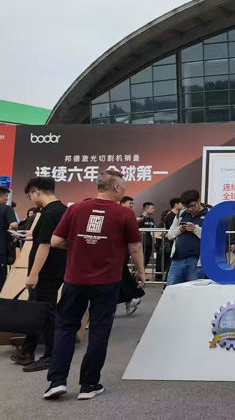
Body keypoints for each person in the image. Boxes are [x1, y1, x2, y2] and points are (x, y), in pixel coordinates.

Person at [43, 169, 144, 400]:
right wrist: (140, 272)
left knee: (65, 328)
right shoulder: (124, 213)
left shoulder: (75, 209)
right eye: (123, 186)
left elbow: (56, 241)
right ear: (116, 187)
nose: (124, 190)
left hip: (74, 279)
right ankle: (88, 385)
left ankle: (56, 382)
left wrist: (79, 245)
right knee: (99, 331)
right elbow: (135, 247)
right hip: (107, 282)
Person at [11, 178, 67, 372]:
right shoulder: (63, 210)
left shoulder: (48, 213)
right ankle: (27, 350)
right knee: (38, 310)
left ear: (36, 192)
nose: (31, 199)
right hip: (58, 268)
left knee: (46, 313)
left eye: (29, 196)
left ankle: (50, 355)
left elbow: (45, 245)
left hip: (45, 272)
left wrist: (34, 274)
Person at [166, 190, 207, 285]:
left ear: (198, 201)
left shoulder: (209, 214)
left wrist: (195, 229)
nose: (190, 209)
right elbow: (170, 235)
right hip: (177, 259)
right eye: (187, 207)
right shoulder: (181, 214)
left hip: (196, 261)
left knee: (193, 290)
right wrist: (180, 229)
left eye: (193, 206)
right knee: (171, 288)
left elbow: (212, 237)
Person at [118, 197, 145, 315]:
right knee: (121, 275)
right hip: (116, 252)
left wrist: (141, 270)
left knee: (121, 274)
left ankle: (131, 297)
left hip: (121, 251)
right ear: (122, 203)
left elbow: (135, 247)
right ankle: (131, 297)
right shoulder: (121, 214)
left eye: (133, 203)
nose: (132, 205)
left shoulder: (128, 215)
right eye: (130, 203)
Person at [0, 186, 19, 292]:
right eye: (6, 196)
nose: (7, 199)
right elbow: (14, 224)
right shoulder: (7, 209)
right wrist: (11, 234)